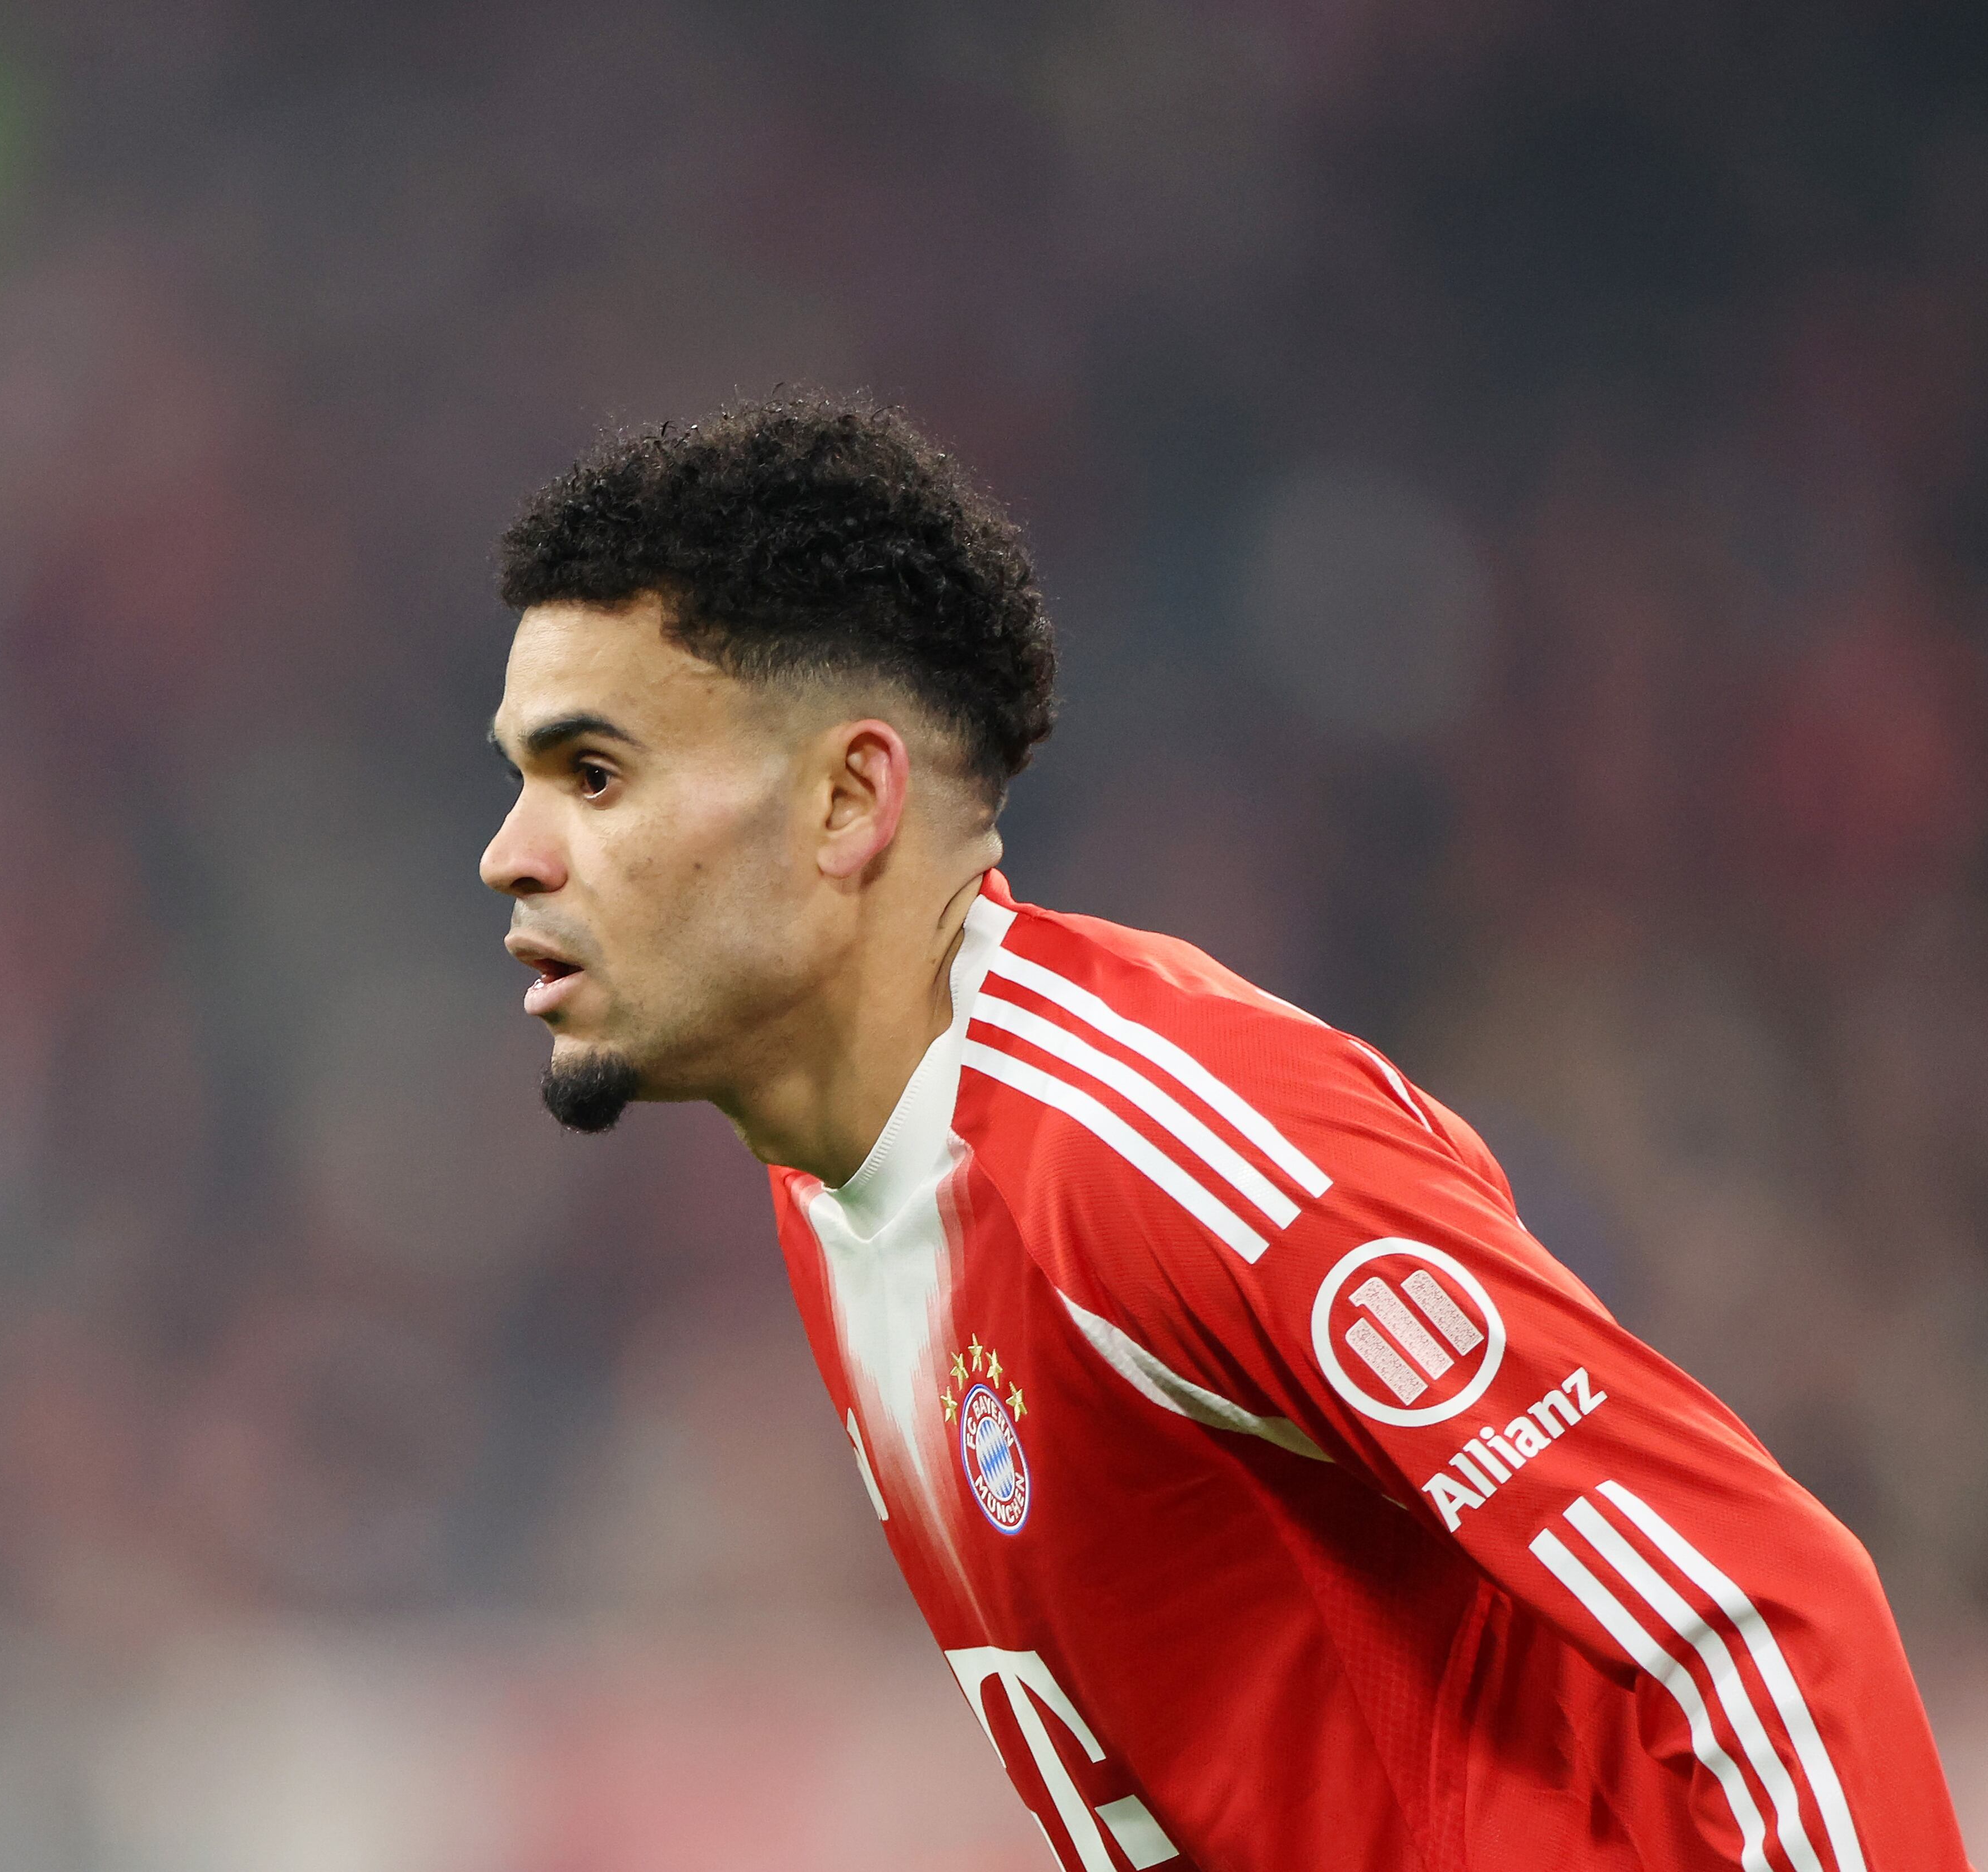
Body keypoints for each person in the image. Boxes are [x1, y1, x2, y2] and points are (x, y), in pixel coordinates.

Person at [476, 394, 1970, 1870]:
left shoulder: (1159, 1142)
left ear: (849, 798)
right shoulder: (842, 1193)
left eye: (594, 775)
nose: (510, 856)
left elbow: (1759, 1615)